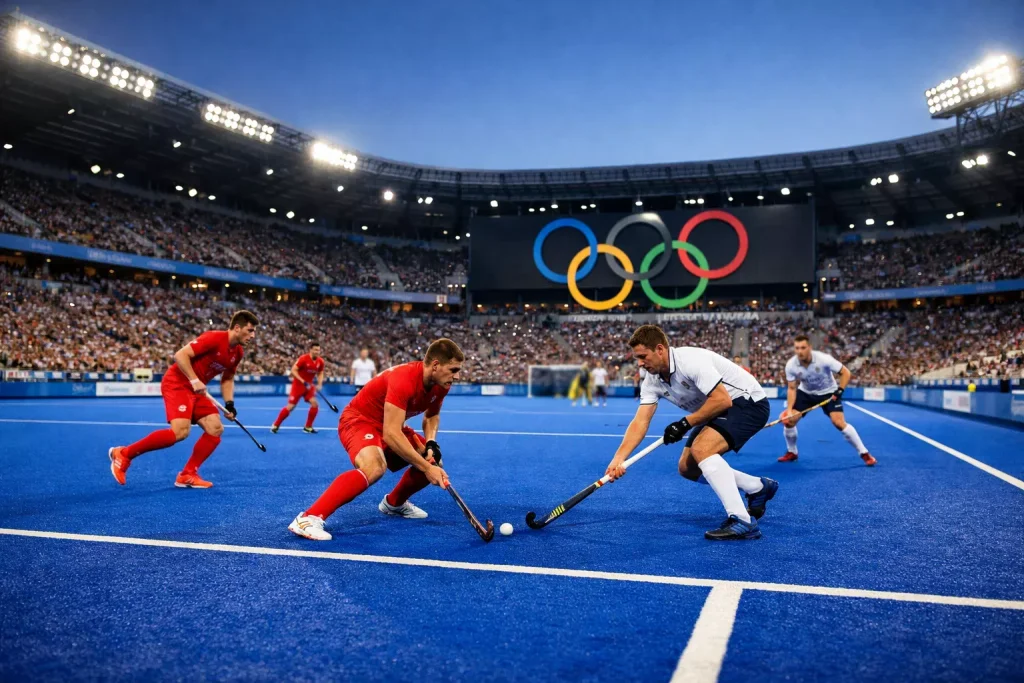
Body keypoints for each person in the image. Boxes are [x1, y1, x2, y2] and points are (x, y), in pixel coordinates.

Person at [604, 325, 778, 540]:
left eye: (643, 356)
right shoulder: (651, 380)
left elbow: (722, 400)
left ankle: (742, 520)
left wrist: (684, 424)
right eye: (637, 358)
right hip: (716, 409)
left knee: (702, 449)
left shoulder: (690, 361)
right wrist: (619, 458)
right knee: (688, 468)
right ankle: (757, 487)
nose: (639, 363)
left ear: (660, 349)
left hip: (747, 402)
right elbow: (641, 421)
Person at [288, 339, 465, 541]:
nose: (457, 376)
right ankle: (308, 518)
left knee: (434, 459)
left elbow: (431, 415)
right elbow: (391, 434)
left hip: (390, 424)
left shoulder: (441, 384)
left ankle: (394, 504)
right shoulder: (404, 379)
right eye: (453, 370)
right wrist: (426, 468)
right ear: (435, 365)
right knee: (375, 466)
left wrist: (431, 443)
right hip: (359, 420)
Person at [108, 310, 259, 488]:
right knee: (180, 432)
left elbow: (228, 378)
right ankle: (124, 454)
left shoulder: (238, 353)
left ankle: (187, 474)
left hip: (197, 390)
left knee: (215, 428)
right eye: (250, 330)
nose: (253, 336)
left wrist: (230, 404)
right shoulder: (214, 338)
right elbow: (180, 355)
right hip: (178, 383)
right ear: (237, 328)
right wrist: (194, 380)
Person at [778, 335, 876, 466]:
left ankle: (864, 453)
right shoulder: (791, 365)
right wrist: (790, 410)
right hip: (806, 393)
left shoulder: (824, 359)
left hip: (829, 393)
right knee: (789, 421)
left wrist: (840, 391)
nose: (800, 351)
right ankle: (792, 452)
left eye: (803, 348)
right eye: (797, 348)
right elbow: (791, 388)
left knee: (839, 423)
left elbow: (845, 372)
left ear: (809, 348)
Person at [270, 342, 326, 434]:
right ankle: (276, 425)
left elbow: (320, 373)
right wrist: (302, 381)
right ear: (310, 350)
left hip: (309, 386)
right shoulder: (303, 359)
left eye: (318, 350)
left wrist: (319, 384)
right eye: (315, 350)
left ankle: (308, 427)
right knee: (291, 406)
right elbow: (293, 370)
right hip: (298, 385)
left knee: (314, 404)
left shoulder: (320, 361)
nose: (317, 352)